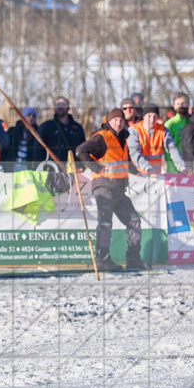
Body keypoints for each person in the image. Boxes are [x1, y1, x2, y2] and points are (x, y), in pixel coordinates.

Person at [75, 108, 144, 272]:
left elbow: (125, 162)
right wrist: (97, 168)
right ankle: (103, 259)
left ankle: (133, 258)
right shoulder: (102, 137)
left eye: (121, 120)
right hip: (104, 188)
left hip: (119, 190)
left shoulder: (122, 139)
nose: (118, 122)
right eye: (115, 120)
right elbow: (81, 151)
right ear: (109, 121)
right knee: (105, 224)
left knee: (134, 221)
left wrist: (139, 172)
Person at [127, 103, 186, 175]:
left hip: (156, 174)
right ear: (144, 117)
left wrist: (182, 167)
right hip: (138, 174)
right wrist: (148, 168)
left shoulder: (163, 130)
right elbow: (134, 153)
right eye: (149, 116)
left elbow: (172, 149)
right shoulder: (134, 130)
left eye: (155, 116)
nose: (152, 119)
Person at [37, 97, 86, 163]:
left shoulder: (78, 128)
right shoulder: (45, 127)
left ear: (68, 108)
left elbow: (83, 149)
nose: (60, 106)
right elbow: (38, 151)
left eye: (63, 104)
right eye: (58, 104)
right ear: (54, 108)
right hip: (52, 169)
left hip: (74, 169)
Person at [163, 93, 190, 173]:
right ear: (174, 106)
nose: (181, 106)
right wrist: (173, 169)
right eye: (178, 104)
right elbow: (168, 148)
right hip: (174, 169)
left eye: (183, 103)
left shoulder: (193, 122)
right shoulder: (170, 124)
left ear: (188, 104)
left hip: (191, 168)